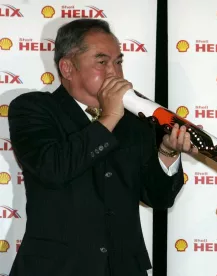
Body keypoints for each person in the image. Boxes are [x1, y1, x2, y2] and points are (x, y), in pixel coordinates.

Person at [8, 19, 196, 276]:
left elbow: (159, 198)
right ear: (67, 67)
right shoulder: (33, 108)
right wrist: (109, 117)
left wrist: (167, 152)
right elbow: (53, 168)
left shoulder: (134, 121)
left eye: (118, 62)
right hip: (56, 268)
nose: (115, 73)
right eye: (102, 62)